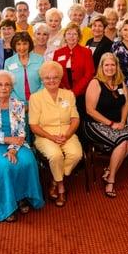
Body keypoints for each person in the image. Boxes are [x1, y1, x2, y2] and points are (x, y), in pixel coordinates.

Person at [0, 70, 44, 222]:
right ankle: (4, 206)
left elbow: (21, 131)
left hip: (15, 143)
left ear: (12, 87)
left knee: (28, 161)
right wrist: (7, 140)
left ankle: (21, 196)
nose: (4, 88)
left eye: (7, 85)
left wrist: (13, 149)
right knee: (3, 166)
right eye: (0, 85)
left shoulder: (18, 104)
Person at [84, 53, 128, 198]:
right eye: (106, 65)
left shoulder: (120, 82)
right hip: (96, 124)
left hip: (116, 124)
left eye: (112, 65)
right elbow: (90, 110)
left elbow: (126, 104)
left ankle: (109, 169)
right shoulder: (95, 83)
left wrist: (122, 121)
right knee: (122, 142)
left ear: (117, 66)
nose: (110, 68)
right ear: (101, 67)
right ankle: (111, 180)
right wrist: (111, 123)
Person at [29, 61, 83, 207]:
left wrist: (67, 135)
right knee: (55, 155)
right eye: (47, 78)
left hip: (67, 132)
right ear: (42, 80)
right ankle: (61, 187)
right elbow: (33, 125)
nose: (51, 81)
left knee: (76, 154)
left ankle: (55, 179)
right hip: (45, 134)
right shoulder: (35, 98)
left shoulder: (68, 95)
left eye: (55, 77)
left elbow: (75, 118)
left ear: (60, 79)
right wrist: (52, 137)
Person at [52, 23, 95, 114]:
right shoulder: (58, 53)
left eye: (75, 34)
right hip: (62, 93)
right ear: (65, 36)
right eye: (69, 33)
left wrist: (74, 92)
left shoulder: (86, 52)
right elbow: (55, 73)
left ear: (79, 37)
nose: (71, 37)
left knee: (80, 118)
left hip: (81, 94)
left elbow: (89, 73)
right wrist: (63, 89)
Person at [4, 32, 43, 107]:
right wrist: (19, 102)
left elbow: (44, 82)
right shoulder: (8, 62)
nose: (22, 48)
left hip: (38, 101)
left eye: (25, 43)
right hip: (16, 103)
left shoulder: (40, 59)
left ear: (29, 45)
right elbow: (7, 84)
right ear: (14, 45)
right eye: (18, 44)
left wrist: (35, 99)